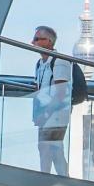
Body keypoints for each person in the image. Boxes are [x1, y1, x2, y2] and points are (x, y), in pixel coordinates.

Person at [31, 26, 73, 177]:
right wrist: (37, 113)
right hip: (45, 112)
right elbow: (38, 90)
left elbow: (61, 93)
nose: (33, 42)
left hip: (56, 112)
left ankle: (47, 179)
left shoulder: (59, 61)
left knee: (49, 147)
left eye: (37, 39)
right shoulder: (40, 64)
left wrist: (46, 112)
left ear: (49, 42)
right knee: (49, 147)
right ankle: (60, 178)